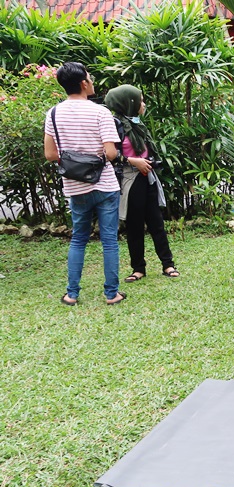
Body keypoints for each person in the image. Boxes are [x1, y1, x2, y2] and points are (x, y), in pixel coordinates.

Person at [44, 62, 125, 306]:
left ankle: (72, 294)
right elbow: (110, 153)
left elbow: (50, 154)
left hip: (75, 185)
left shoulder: (53, 113)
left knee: (78, 239)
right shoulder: (101, 113)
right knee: (109, 240)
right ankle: (112, 294)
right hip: (105, 184)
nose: (91, 82)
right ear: (83, 83)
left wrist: (75, 159)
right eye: (89, 78)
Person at [104, 84, 179, 283]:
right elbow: (110, 155)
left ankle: (168, 264)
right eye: (139, 100)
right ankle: (138, 269)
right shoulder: (115, 125)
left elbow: (147, 150)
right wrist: (133, 161)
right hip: (131, 180)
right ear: (128, 103)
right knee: (135, 225)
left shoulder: (137, 124)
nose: (143, 104)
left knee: (157, 222)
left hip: (149, 177)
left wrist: (150, 161)